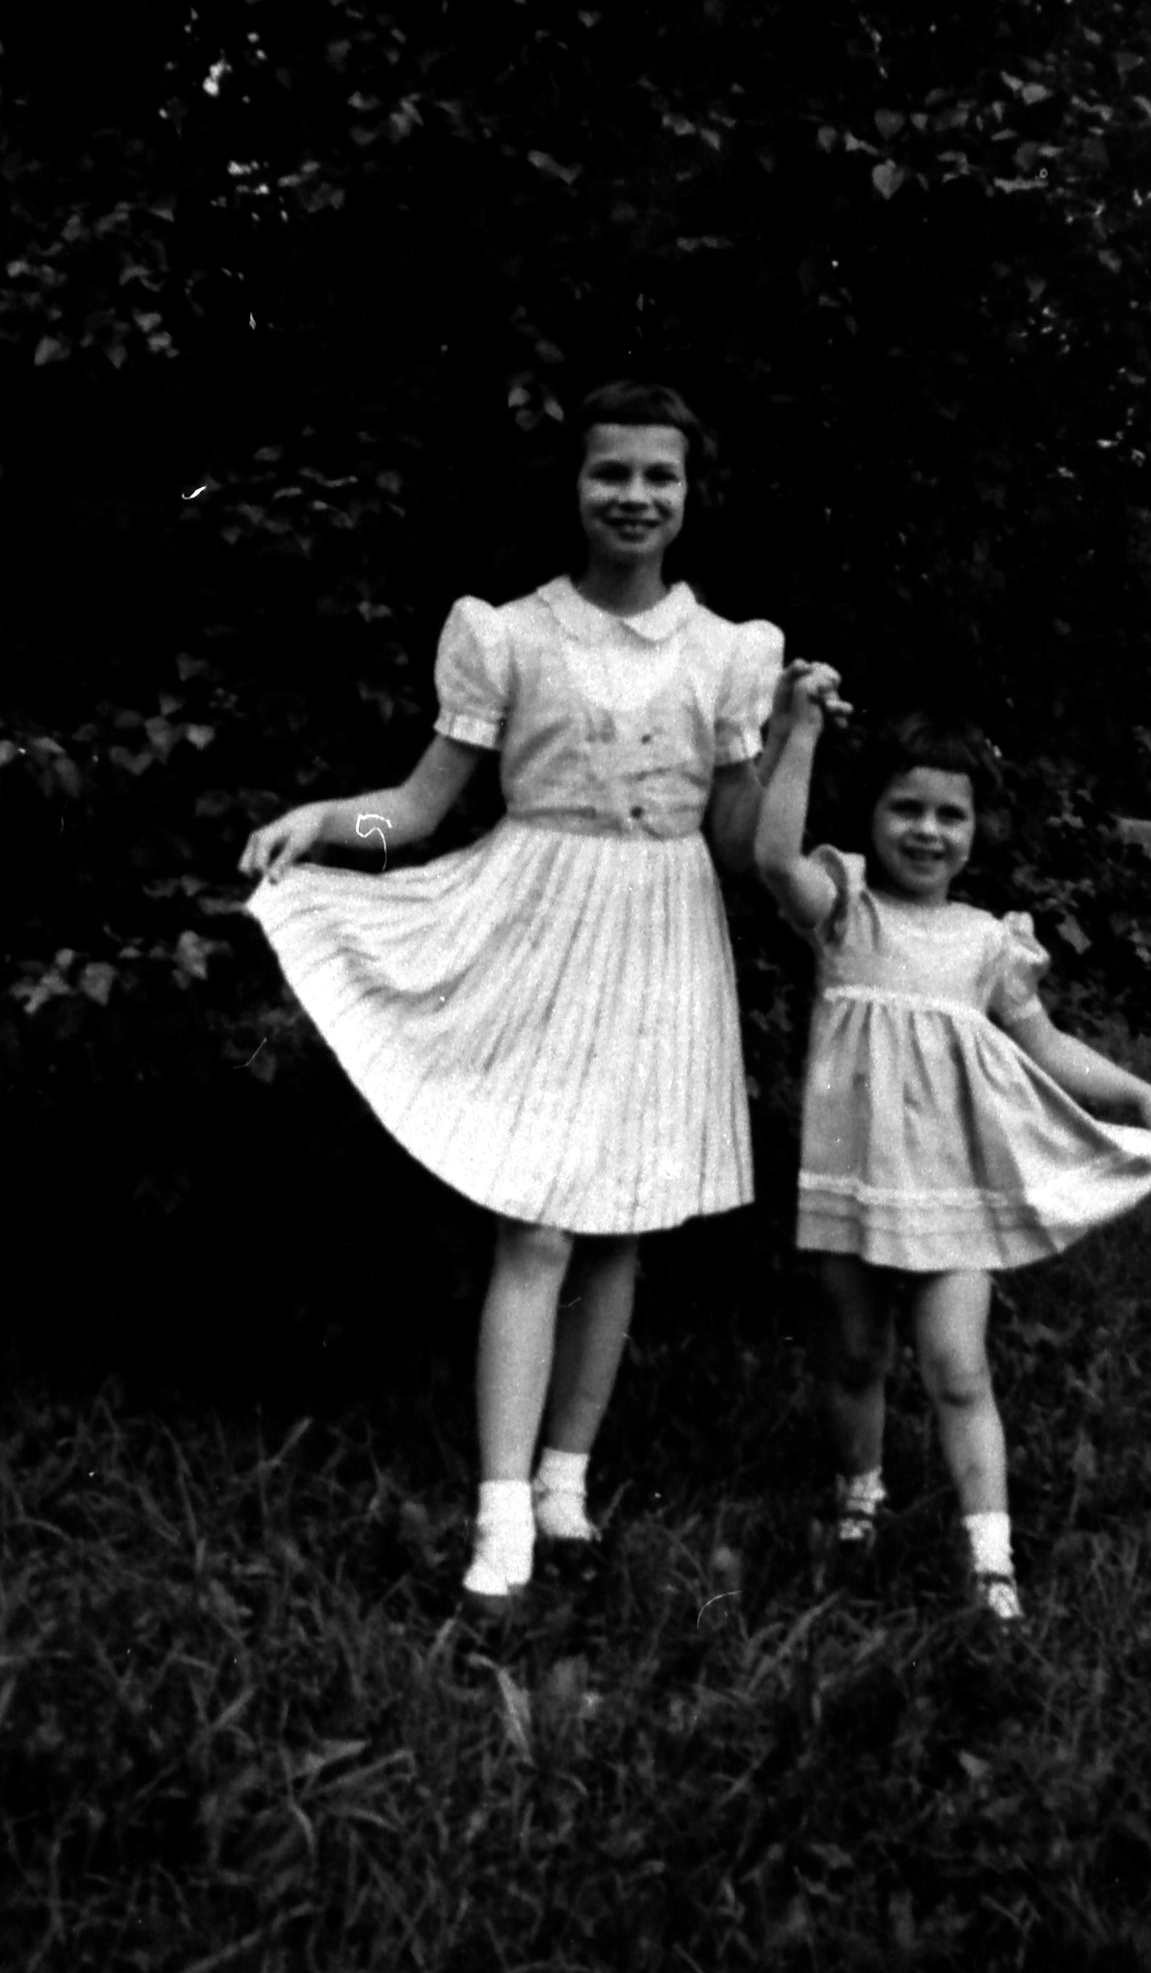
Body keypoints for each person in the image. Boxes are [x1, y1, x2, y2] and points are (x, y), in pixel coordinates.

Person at [239, 381, 786, 1611]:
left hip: (662, 931)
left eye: (659, 475)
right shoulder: (510, 633)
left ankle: (564, 1480)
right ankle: (498, 1507)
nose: (634, 496)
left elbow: (744, 841)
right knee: (535, 1221)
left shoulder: (728, 651)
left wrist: (789, 736)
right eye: (611, 474)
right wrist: (329, 819)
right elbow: (424, 804)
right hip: (536, 919)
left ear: (690, 492)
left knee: (620, 1221)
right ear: (573, 486)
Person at [755, 672, 1151, 1621]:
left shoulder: (989, 941)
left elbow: (1045, 1044)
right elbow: (768, 857)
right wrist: (797, 735)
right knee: (855, 1357)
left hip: (953, 1184)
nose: (926, 830)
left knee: (958, 1365)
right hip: (853, 1175)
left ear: (976, 828)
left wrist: (1139, 1091)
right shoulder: (844, 906)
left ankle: (988, 1560)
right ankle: (857, 1503)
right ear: (869, 815)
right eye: (904, 808)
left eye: (948, 814)